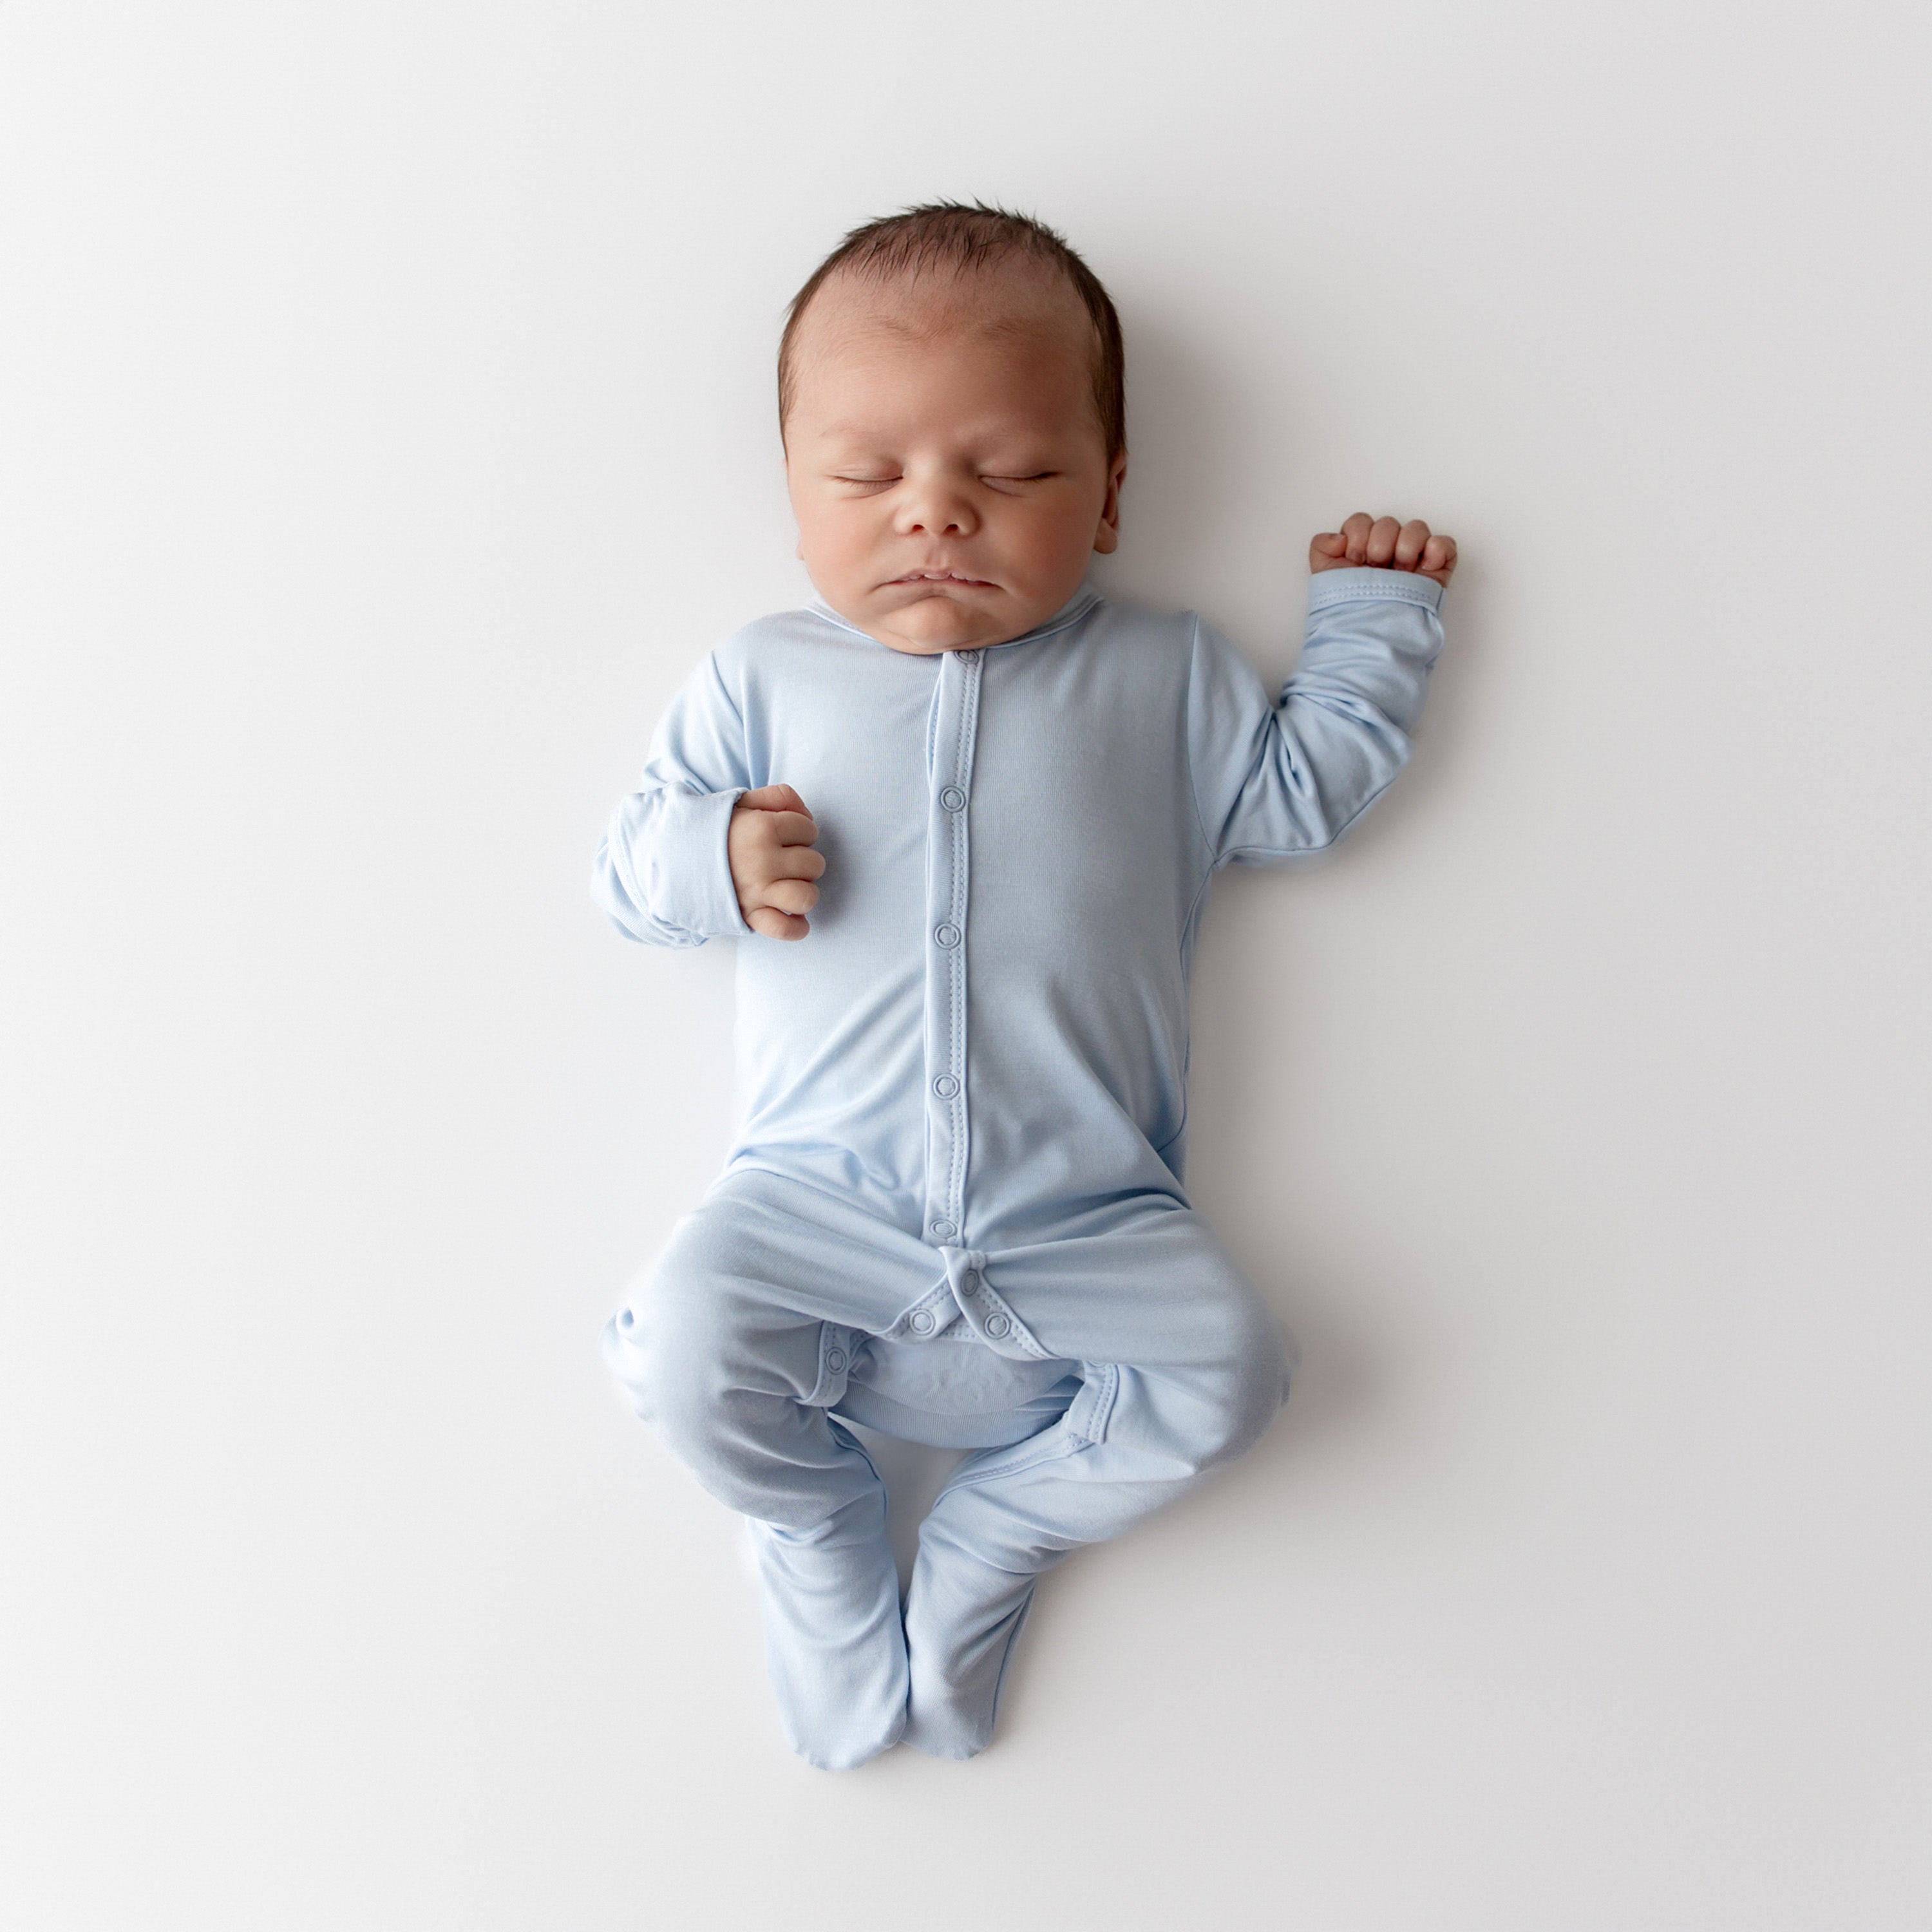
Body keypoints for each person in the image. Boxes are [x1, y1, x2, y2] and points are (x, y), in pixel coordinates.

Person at [593, 201, 1457, 1768]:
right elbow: (624, 873)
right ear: (798, 503)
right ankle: (818, 1520)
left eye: (1011, 474)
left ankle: (1002, 1530)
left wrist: (1369, 632)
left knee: (1237, 1371)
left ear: (1112, 493)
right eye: (868, 477)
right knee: (681, 1340)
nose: (938, 515)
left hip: (1089, 1212)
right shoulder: (761, 678)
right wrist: (707, 857)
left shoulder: (1167, 675)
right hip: (815, 1207)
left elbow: (1292, 799)